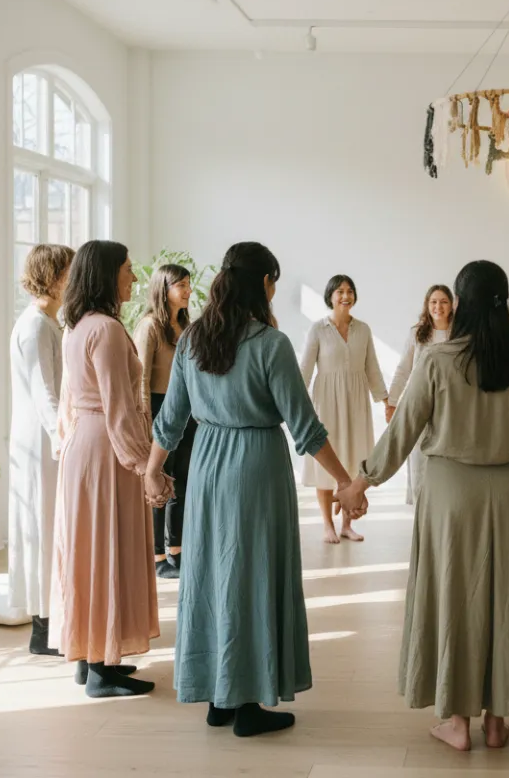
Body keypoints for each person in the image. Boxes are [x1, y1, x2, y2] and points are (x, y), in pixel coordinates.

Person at [336, 260, 509, 753]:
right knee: (502, 601)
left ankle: (456, 722)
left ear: (462, 304)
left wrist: (360, 482)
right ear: (505, 301)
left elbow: (401, 433)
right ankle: (495, 722)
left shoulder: (438, 361)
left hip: (449, 496)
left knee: (453, 600)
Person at [146, 242, 361, 737]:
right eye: (274, 284)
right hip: (257, 465)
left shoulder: (193, 339)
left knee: (212, 576)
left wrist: (153, 470)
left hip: (206, 468)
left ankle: (218, 697)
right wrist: (346, 482)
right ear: (264, 283)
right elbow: (305, 427)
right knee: (254, 577)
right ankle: (247, 704)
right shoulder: (270, 343)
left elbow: (171, 418)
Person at [51, 239, 160, 698]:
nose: (134, 278)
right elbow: (119, 410)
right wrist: (145, 465)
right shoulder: (109, 331)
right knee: (105, 549)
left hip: (84, 447)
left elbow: (69, 405)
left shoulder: (76, 328)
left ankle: (91, 658)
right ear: (107, 275)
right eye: (128, 270)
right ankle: (99, 669)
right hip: (106, 451)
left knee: (88, 550)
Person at [8, 244, 74, 656]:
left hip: (47, 437)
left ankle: (52, 620)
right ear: (52, 276)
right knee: (44, 526)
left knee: (51, 525)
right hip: (41, 441)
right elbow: (44, 392)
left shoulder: (50, 323)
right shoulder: (35, 326)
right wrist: (64, 441)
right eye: (69, 272)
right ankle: (43, 627)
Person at [300, 274, 388, 544]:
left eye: (349, 291)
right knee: (327, 462)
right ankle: (327, 525)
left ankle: (347, 524)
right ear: (330, 296)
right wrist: (295, 399)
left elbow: (371, 366)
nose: (345, 296)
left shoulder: (363, 329)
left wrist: (385, 399)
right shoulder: (318, 329)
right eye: (339, 291)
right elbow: (305, 367)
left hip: (356, 402)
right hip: (326, 401)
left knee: (354, 461)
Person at [133, 264, 196, 580]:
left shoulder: (186, 327)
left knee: (183, 482)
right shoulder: (149, 326)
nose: (187, 291)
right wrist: (146, 421)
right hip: (158, 409)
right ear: (163, 288)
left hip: (186, 411)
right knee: (159, 481)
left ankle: (176, 550)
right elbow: (141, 377)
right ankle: (157, 555)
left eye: (188, 284)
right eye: (180, 285)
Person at [386, 284, 453, 504]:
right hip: (419, 404)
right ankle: (421, 511)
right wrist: (392, 402)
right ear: (427, 305)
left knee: (447, 461)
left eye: (443, 301)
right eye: (433, 302)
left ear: (451, 305)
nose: (438, 306)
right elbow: (403, 369)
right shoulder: (417, 333)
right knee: (419, 460)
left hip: (451, 407)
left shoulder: (460, 333)